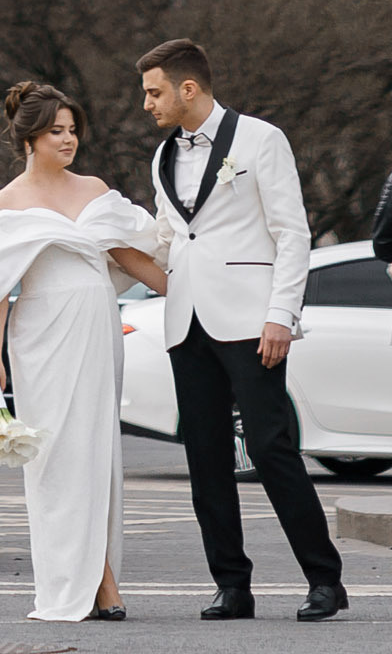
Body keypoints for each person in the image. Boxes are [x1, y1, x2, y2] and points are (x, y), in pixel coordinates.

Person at [139, 36, 346, 622]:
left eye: (154, 93)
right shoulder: (162, 156)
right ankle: (232, 584)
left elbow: (292, 233)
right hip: (186, 323)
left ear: (188, 88)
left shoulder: (261, 138)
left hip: (253, 321)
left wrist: (281, 315)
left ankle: (325, 579)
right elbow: (165, 236)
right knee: (205, 457)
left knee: (272, 448)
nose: (147, 105)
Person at [0, 82, 166, 623]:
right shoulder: (7, 201)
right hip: (42, 334)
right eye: (57, 131)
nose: (69, 139)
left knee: (98, 454)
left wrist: (193, 290)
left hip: (97, 327)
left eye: (73, 130)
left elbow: (132, 256)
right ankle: (97, 584)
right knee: (58, 460)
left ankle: (100, 579)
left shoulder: (94, 188)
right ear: (29, 137)